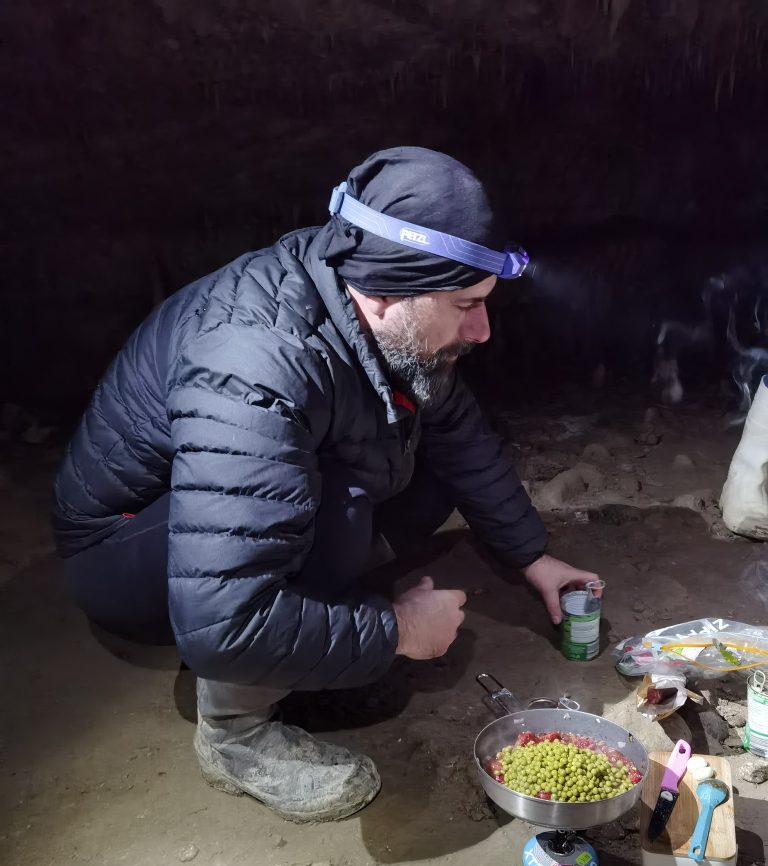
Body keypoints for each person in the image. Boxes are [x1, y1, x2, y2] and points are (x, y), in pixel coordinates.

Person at [52, 146, 599, 823]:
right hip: (124, 551)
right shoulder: (255, 361)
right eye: (465, 305)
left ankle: (316, 601)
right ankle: (234, 735)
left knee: (429, 462)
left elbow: (460, 432)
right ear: (385, 292)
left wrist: (533, 557)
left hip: (220, 519)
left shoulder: (372, 302)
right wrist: (398, 630)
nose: (482, 330)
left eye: (484, 303)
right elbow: (222, 622)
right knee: (333, 505)